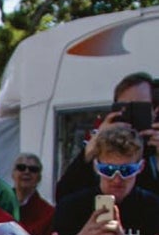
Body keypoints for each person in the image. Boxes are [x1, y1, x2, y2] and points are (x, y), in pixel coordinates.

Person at [56, 72, 159, 200]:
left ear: (155, 110)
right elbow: (64, 195)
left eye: (140, 107)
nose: (132, 114)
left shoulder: (154, 150)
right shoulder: (103, 149)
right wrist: (93, 145)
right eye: (125, 107)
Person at [10, 153, 56, 235]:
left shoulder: (48, 213)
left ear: (39, 178)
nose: (27, 172)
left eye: (33, 169)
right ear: (13, 174)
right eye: (21, 167)